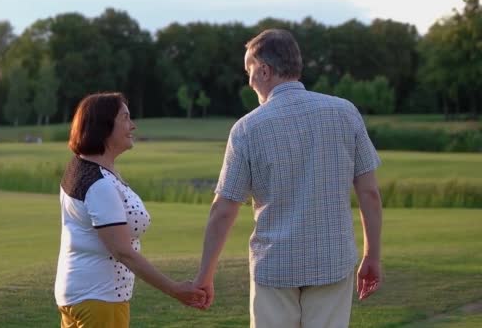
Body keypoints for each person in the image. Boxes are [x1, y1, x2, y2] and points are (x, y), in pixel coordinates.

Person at [194, 29, 383, 327]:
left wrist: (204, 275)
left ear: (265, 71)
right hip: (332, 262)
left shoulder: (247, 129)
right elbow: (369, 193)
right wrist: (372, 255)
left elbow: (224, 210)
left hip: (274, 267)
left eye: (249, 71)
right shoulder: (345, 113)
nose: (249, 80)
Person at [54, 92, 205, 328]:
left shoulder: (82, 165)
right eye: (125, 118)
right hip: (100, 300)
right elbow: (122, 251)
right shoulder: (99, 184)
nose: (132, 126)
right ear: (103, 126)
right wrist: (176, 290)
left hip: (80, 294)